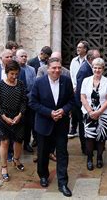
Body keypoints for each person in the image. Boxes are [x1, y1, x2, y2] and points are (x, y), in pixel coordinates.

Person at [29, 57, 75, 197]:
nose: (57, 70)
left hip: (61, 124)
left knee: (62, 153)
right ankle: (43, 175)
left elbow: (72, 101)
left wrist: (64, 110)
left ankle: (62, 182)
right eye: (54, 68)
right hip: (44, 123)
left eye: (59, 68)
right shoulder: (39, 82)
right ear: (47, 69)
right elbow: (32, 102)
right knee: (42, 152)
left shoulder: (66, 81)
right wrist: (49, 113)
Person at [0, 61, 28, 181]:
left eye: (16, 74)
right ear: (7, 72)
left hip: (18, 117)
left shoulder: (21, 84)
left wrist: (20, 115)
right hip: (4, 118)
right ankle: (4, 167)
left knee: (19, 141)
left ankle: (16, 159)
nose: (14, 76)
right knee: (5, 142)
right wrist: (5, 118)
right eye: (12, 74)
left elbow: (24, 101)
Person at [80, 57, 107, 170]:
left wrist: (99, 112)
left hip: (103, 114)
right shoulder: (86, 80)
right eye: (95, 67)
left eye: (99, 68)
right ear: (92, 68)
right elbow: (82, 97)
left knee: (101, 138)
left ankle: (99, 157)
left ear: (103, 69)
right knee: (89, 138)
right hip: (88, 113)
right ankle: (89, 159)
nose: (97, 70)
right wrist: (90, 111)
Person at [75, 49, 101, 154]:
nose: (100, 59)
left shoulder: (91, 68)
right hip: (82, 105)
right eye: (97, 58)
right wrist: (84, 107)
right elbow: (80, 91)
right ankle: (85, 148)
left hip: (91, 104)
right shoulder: (84, 70)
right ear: (91, 59)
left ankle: (91, 145)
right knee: (83, 127)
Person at [16, 49, 37, 153]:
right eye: (21, 56)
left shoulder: (32, 69)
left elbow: (34, 85)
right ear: (17, 57)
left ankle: (27, 143)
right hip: (16, 100)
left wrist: (28, 96)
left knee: (29, 123)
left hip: (29, 99)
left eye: (25, 56)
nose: (24, 58)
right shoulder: (14, 69)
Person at [69, 40, 90, 139]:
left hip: (85, 89)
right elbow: (72, 74)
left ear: (85, 49)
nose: (77, 49)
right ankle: (73, 128)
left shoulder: (88, 61)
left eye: (80, 47)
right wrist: (74, 86)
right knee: (74, 109)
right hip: (75, 89)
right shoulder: (74, 60)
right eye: (77, 47)